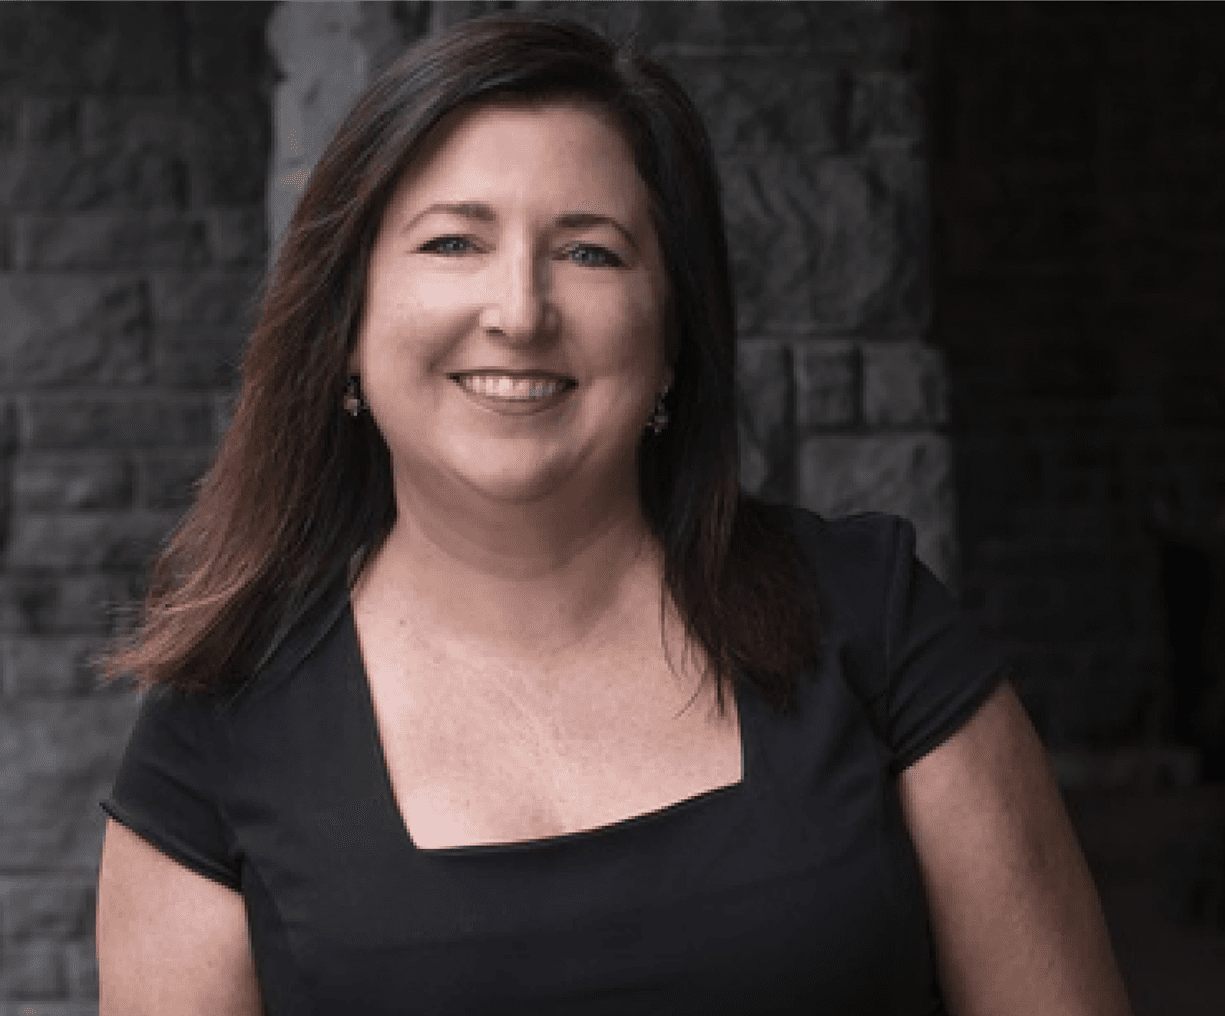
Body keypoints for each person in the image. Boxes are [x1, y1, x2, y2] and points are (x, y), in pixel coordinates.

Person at [94, 11, 1134, 1015]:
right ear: (347, 325)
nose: (519, 310)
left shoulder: (876, 619)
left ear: (672, 335)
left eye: (589, 251)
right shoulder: (217, 723)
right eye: (453, 242)